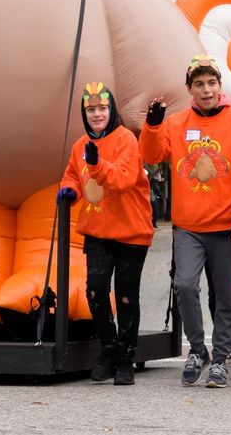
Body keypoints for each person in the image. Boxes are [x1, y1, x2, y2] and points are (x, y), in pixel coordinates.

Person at [141, 54, 231, 390]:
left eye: (211, 83)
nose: (206, 89)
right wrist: (152, 126)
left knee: (226, 297)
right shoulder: (177, 123)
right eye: (199, 84)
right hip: (189, 226)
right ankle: (198, 350)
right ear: (190, 89)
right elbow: (152, 156)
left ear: (219, 86)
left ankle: (221, 359)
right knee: (184, 285)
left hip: (227, 227)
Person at [58, 82, 154, 386]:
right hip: (98, 231)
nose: (97, 114)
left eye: (102, 108)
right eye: (91, 109)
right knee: (96, 291)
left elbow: (123, 178)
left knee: (126, 296)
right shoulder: (79, 145)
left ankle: (126, 359)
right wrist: (70, 189)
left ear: (111, 111)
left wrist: (97, 164)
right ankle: (109, 348)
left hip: (130, 232)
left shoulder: (126, 139)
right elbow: (73, 173)